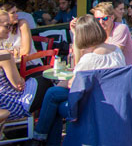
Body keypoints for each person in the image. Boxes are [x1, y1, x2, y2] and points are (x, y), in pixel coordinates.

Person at [33, 14, 126, 144]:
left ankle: (40, 137)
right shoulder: (116, 51)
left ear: (82, 36)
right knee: (54, 99)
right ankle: (41, 138)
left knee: (53, 96)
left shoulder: (91, 59)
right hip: (111, 99)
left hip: (92, 104)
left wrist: (60, 84)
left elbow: (74, 83)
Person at [84, 2, 132, 78]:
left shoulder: (121, 28)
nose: (101, 22)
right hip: (113, 75)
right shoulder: (98, 31)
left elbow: (113, 55)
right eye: (97, 19)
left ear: (112, 18)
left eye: (105, 18)